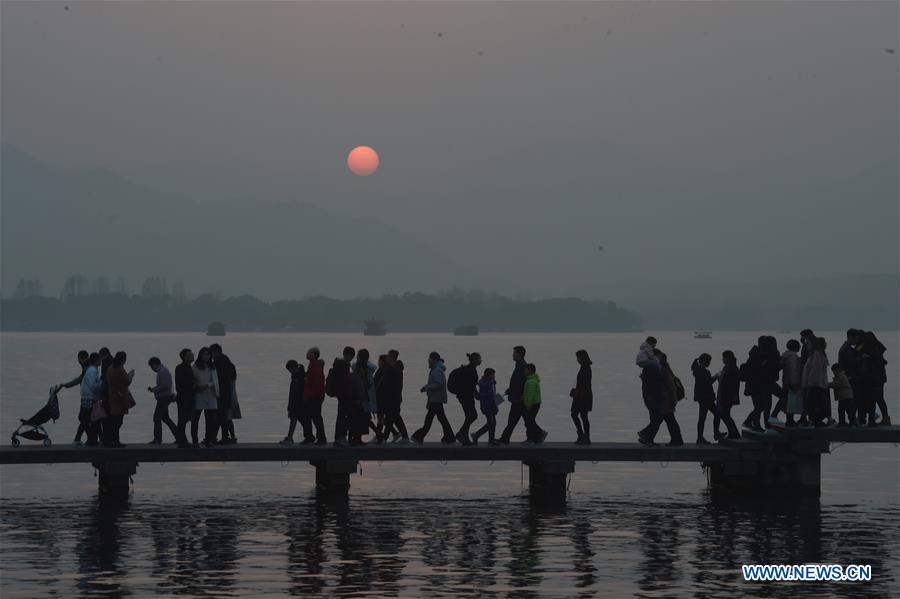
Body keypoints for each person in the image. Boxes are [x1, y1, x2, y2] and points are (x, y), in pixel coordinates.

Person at [637, 339, 684, 447]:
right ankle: (675, 440)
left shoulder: (660, 369)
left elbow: (669, 385)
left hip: (662, 399)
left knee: (661, 419)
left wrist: (673, 399)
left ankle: (647, 435)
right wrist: (673, 399)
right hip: (662, 399)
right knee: (667, 419)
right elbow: (668, 385)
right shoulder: (660, 369)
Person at [412, 352, 455, 444]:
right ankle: (449, 437)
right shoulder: (436, 370)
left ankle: (418, 436)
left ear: (434, 360)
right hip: (436, 399)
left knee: (429, 419)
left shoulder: (437, 371)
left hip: (436, 399)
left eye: (429, 359)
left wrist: (427, 387)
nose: (428, 361)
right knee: (441, 419)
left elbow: (439, 384)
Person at [858, 331, 890, 427]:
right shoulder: (876, 348)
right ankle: (885, 418)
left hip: (875, 379)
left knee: (876, 398)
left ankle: (882, 418)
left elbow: (859, 352)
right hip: (880, 379)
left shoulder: (873, 351)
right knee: (879, 398)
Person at [105, 351, 135, 448]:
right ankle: (115, 441)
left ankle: (111, 440)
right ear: (123, 359)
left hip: (112, 396)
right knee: (118, 421)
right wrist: (131, 375)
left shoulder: (110, 368)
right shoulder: (120, 369)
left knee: (114, 420)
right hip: (120, 398)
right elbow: (127, 381)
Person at [59, 350, 90, 445]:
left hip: (88, 397)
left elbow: (84, 380)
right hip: (86, 397)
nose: (78, 360)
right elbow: (80, 378)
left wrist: (67, 385)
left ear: (82, 358)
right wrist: (67, 385)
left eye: (78, 358)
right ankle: (89, 439)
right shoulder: (85, 366)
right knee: (86, 419)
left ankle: (80, 439)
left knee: (84, 418)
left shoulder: (88, 367)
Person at [498, 346, 528, 444]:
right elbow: (516, 383)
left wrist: (517, 397)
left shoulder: (522, 366)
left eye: (514, 353)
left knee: (514, 419)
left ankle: (505, 439)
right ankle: (505, 438)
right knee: (522, 419)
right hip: (517, 397)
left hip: (518, 399)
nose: (513, 355)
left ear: (520, 354)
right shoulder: (519, 365)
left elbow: (521, 383)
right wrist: (510, 390)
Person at [191, 346, 220, 447]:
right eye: (204, 354)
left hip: (210, 395)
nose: (206, 356)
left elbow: (216, 382)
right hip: (198, 395)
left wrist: (207, 385)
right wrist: (197, 386)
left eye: (208, 354)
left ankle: (208, 439)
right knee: (195, 419)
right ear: (200, 355)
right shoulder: (195, 367)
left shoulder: (212, 367)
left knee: (210, 420)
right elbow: (192, 380)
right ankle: (195, 441)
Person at [210, 344, 237, 444]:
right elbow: (233, 379)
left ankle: (223, 437)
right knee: (226, 417)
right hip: (229, 393)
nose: (211, 356)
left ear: (215, 352)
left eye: (211, 353)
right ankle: (231, 437)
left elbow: (218, 380)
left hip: (220, 394)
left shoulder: (217, 362)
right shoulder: (229, 363)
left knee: (220, 416)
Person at [451, 353, 480, 445]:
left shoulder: (469, 369)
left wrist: (475, 393)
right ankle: (461, 433)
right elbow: (471, 385)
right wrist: (476, 394)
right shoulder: (471, 370)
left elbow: (471, 384)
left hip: (463, 396)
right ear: (475, 360)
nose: (481, 360)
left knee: (470, 416)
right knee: (472, 415)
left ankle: (464, 436)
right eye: (479, 359)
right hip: (466, 397)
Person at [147, 357, 178, 445]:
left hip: (164, 398)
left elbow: (165, 386)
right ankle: (179, 436)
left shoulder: (162, 372)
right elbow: (163, 385)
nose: (152, 369)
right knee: (165, 418)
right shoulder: (163, 371)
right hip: (165, 397)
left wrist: (155, 390)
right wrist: (154, 389)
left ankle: (158, 439)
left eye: (151, 367)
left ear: (154, 365)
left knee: (156, 418)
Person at [327, 348, 354, 446]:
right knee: (343, 417)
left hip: (341, 395)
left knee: (341, 416)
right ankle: (341, 437)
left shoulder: (339, 365)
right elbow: (344, 381)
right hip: (344, 395)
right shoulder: (342, 366)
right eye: (350, 356)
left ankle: (339, 437)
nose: (350, 358)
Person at [381, 351, 409, 443]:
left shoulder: (395, 370)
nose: (386, 358)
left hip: (393, 398)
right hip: (393, 398)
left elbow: (394, 386)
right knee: (395, 418)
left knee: (390, 418)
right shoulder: (393, 368)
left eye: (388, 356)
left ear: (391, 357)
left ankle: (385, 438)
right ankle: (404, 437)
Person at [801, 337, 830, 427]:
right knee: (816, 403)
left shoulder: (816, 354)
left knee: (815, 403)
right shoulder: (817, 353)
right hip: (817, 383)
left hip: (815, 384)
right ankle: (816, 420)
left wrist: (810, 382)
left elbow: (815, 370)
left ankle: (816, 420)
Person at [838, 329, 863, 424]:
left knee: (845, 402)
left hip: (846, 378)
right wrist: (861, 357)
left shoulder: (845, 348)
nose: (857, 341)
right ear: (851, 337)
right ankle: (851, 420)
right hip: (849, 379)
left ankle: (845, 420)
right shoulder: (847, 350)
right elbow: (851, 363)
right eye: (856, 339)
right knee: (850, 401)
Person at [691, 353, 717, 444]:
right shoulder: (704, 372)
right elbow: (708, 383)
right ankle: (715, 434)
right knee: (716, 414)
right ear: (705, 361)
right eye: (708, 361)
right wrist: (716, 376)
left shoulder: (697, 370)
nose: (709, 363)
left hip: (701, 398)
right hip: (706, 398)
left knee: (702, 418)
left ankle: (700, 437)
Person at [714, 351, 741, 440]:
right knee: (725, 414)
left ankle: (733, 433)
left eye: (724, 358)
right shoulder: (730, 367)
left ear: (728, 358)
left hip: (727, 396)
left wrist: (734, 395)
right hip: (726, 395)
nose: (723, 360)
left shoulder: (731, 368)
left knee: (724, 414)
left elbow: (733, 383)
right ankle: (733, 432)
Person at [304, 347, 328, 444]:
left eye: (309, 352)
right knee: (312, 417)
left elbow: (317, 382)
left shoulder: (315, 365)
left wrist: (313, 395)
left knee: (316, 418)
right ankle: (314, 437)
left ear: (314, 354)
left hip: (314, 397)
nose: (307, 353)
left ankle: (321, 438)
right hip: (313, 396)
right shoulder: (313, 364)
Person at [78, 352, 102, 446]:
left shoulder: (91, 369)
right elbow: (93, 386)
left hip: (88, 397)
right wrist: (101, 383)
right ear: (96, 360)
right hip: (89, 398)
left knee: (89, 420)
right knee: (87, 419)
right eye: (99, 359)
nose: (101, 361)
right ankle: (92, 440)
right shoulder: (93, 371)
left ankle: (93, 440)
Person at [570, 350, 593, 445]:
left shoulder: (585, 368)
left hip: (582, 396)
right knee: (582, 416)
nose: (577, 360)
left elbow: (584, 383)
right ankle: (584, 436)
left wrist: (577, 392)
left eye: (578, 357)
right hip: (584, 395)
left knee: (577, 415)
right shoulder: (585, 367)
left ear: (582, 358)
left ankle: (583, 436)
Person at [471, 368, 499, 445]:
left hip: (485, 406)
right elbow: (491, 397)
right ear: (489, 375)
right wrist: (495, 407)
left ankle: (491, 440)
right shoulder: (489, 384)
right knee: (491, 423)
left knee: (492, 423)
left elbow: (481, 396)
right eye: (493, 375)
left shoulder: (484, 383)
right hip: (489, 406)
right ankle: (476, 435)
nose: (494, 376)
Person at [280, 359, 306, 444]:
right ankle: (308, 436)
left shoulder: (299, 377)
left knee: (295, 420)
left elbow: (297, 392)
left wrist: (291, 405)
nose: (290, 372)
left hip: (298, 403)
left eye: (290, 370)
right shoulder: (296, 376)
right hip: (296, 403)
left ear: (293, 368)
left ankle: (290, 437)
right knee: (300, 421)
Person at [521, 363, 547, 444]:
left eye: (525, 370)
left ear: (530, 370)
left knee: (529, 421)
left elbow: (531, 394)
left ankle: (532, 437)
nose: (524, 371)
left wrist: (528, 405)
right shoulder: (531, 380)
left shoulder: (531, 381)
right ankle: (537, 436)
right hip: (534, 404)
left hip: (532, 404)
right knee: (530, 421)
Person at [174, 348, 194, 448]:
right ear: (184, 357)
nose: (192, 356)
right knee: (182, 419)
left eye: (192, 354)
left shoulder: (189, 367)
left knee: (184, 419)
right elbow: (181, 383)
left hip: (188, 397)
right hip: (183, 397)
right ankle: (182, 441)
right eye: (190, 355)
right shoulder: (180, 368)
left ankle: (180, 438)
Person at [781, 340, 804, 427]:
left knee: (788, 403)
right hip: (792, 383)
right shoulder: (793, 357)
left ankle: (789, 420)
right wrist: (795, 383)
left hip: (786, 382)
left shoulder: (786, 356)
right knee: (792, 403)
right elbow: (793, 371)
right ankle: (790, 421)